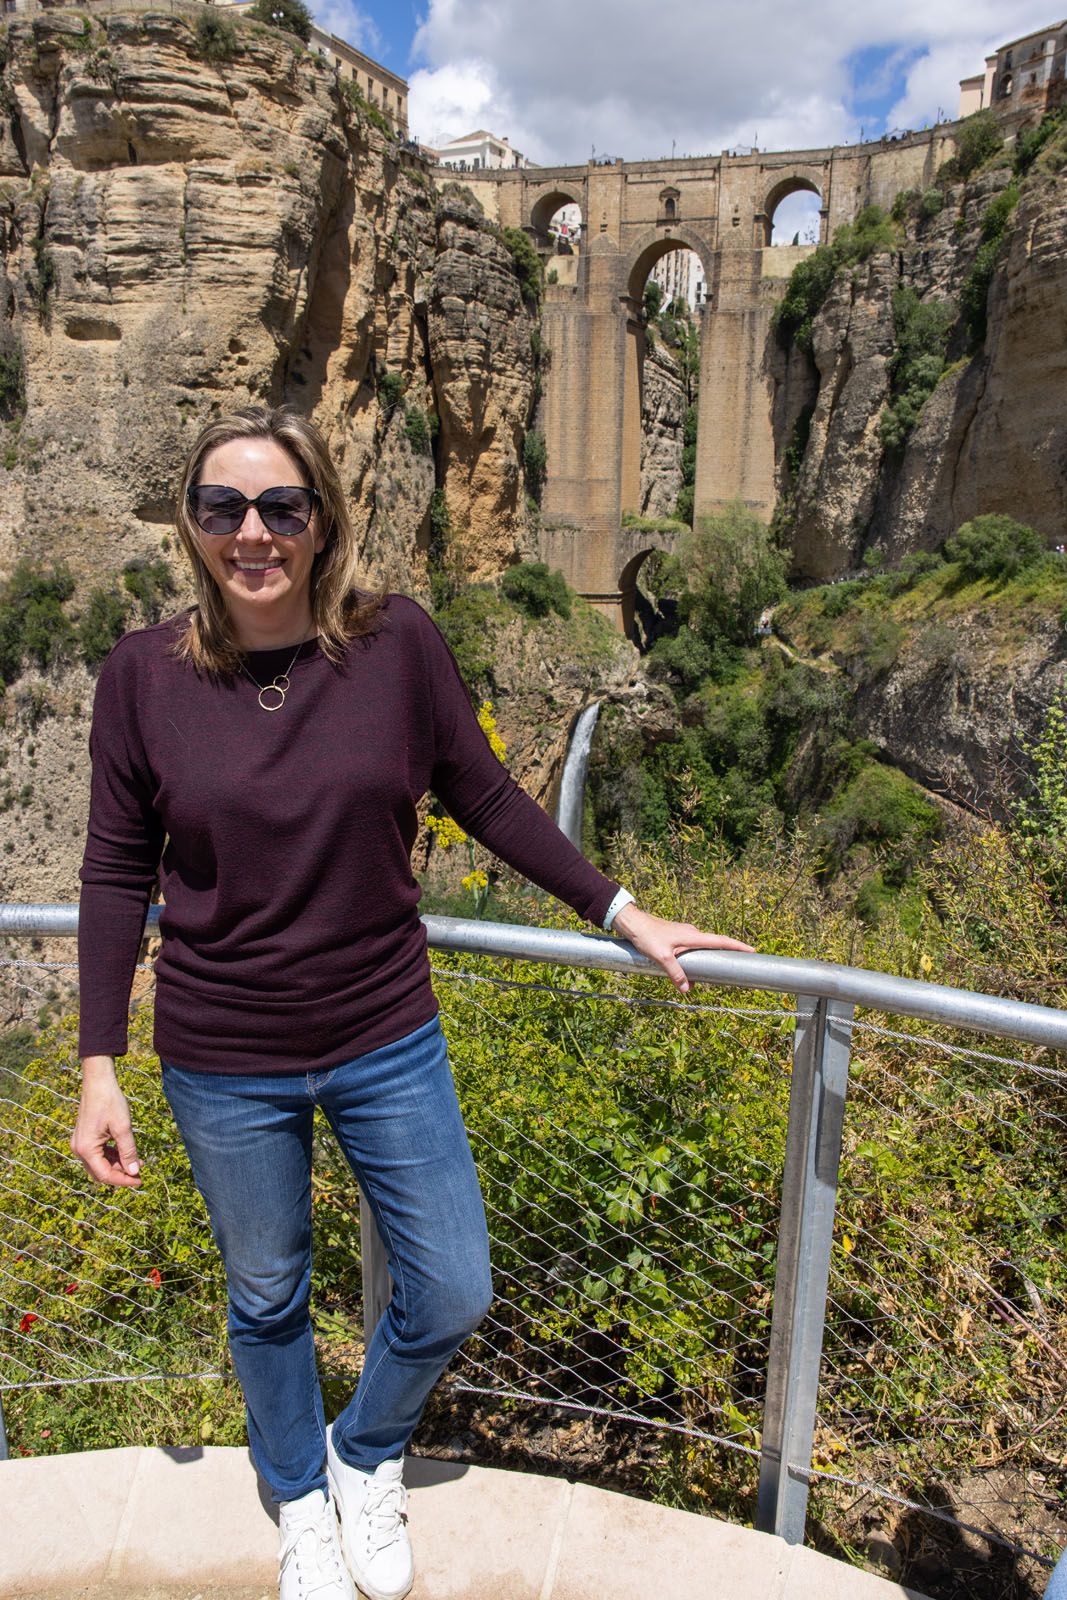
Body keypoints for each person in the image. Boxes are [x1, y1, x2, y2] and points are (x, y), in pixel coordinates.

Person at [71, 406, 754, 1600]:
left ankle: (361, 1449)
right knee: (268, 1294)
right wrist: (96, 1062)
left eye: (281, 506)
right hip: (221, 1052)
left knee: (451, 1283)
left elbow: (487, 796)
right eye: (223, 507)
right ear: (190, 527)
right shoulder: (141, 677)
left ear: (321, 516)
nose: (253, 533)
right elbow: (114, 870)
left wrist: (619, 909)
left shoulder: (393, 645)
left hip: (385, 1033)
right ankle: (297, 1502)